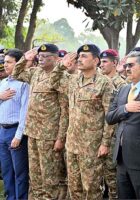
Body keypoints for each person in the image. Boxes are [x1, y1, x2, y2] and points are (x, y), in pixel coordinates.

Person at [49, 44, 115, 199]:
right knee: (74, 188)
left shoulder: (104, 83)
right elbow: (53, 82)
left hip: (92, 146)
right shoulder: (73, 81)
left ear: (96, 60)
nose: (80, 59)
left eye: (85, 56)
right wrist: (61, 66)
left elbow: (110, 116)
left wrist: (105, 143)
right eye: (79, 56)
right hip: (72, 144)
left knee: (91, 189)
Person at [12, 44, 68, 199]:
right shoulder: (35, 73)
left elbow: (65, 110)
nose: (41, 59)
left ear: (56, 59)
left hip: (49, 135)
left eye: (45, 57)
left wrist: (60, 138)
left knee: (49, 178)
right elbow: (16, 74)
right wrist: (25, 59)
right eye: (40, 56)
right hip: (33, 132)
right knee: (35, 176)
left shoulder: (62, 78)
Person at [106, 51, 140, 199]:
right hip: (121, 156)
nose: (126, 68)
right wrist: (125, 108)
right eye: (125, 65)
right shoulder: (123, 90)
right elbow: (110, 117)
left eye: (131, 65)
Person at [0, 49, 29, 200]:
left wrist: (18, 135)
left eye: (9, 62)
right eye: (4, 61)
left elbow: (25, 112)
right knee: (6, 172)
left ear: (18, 63)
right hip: (2, 131)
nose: (5, 65)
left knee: (20, 173)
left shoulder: (23, 84)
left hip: (15, 131)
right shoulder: (3, 83)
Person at [99, 49, 126, 199]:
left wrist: (107, 141)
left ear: (115, 63)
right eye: (100, 61)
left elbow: (117, 115)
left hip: (112, 139)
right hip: (96, 136)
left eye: (105, 62)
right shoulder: (98, 80)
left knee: (112, 180)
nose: (101, 65)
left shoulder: (121, 84)